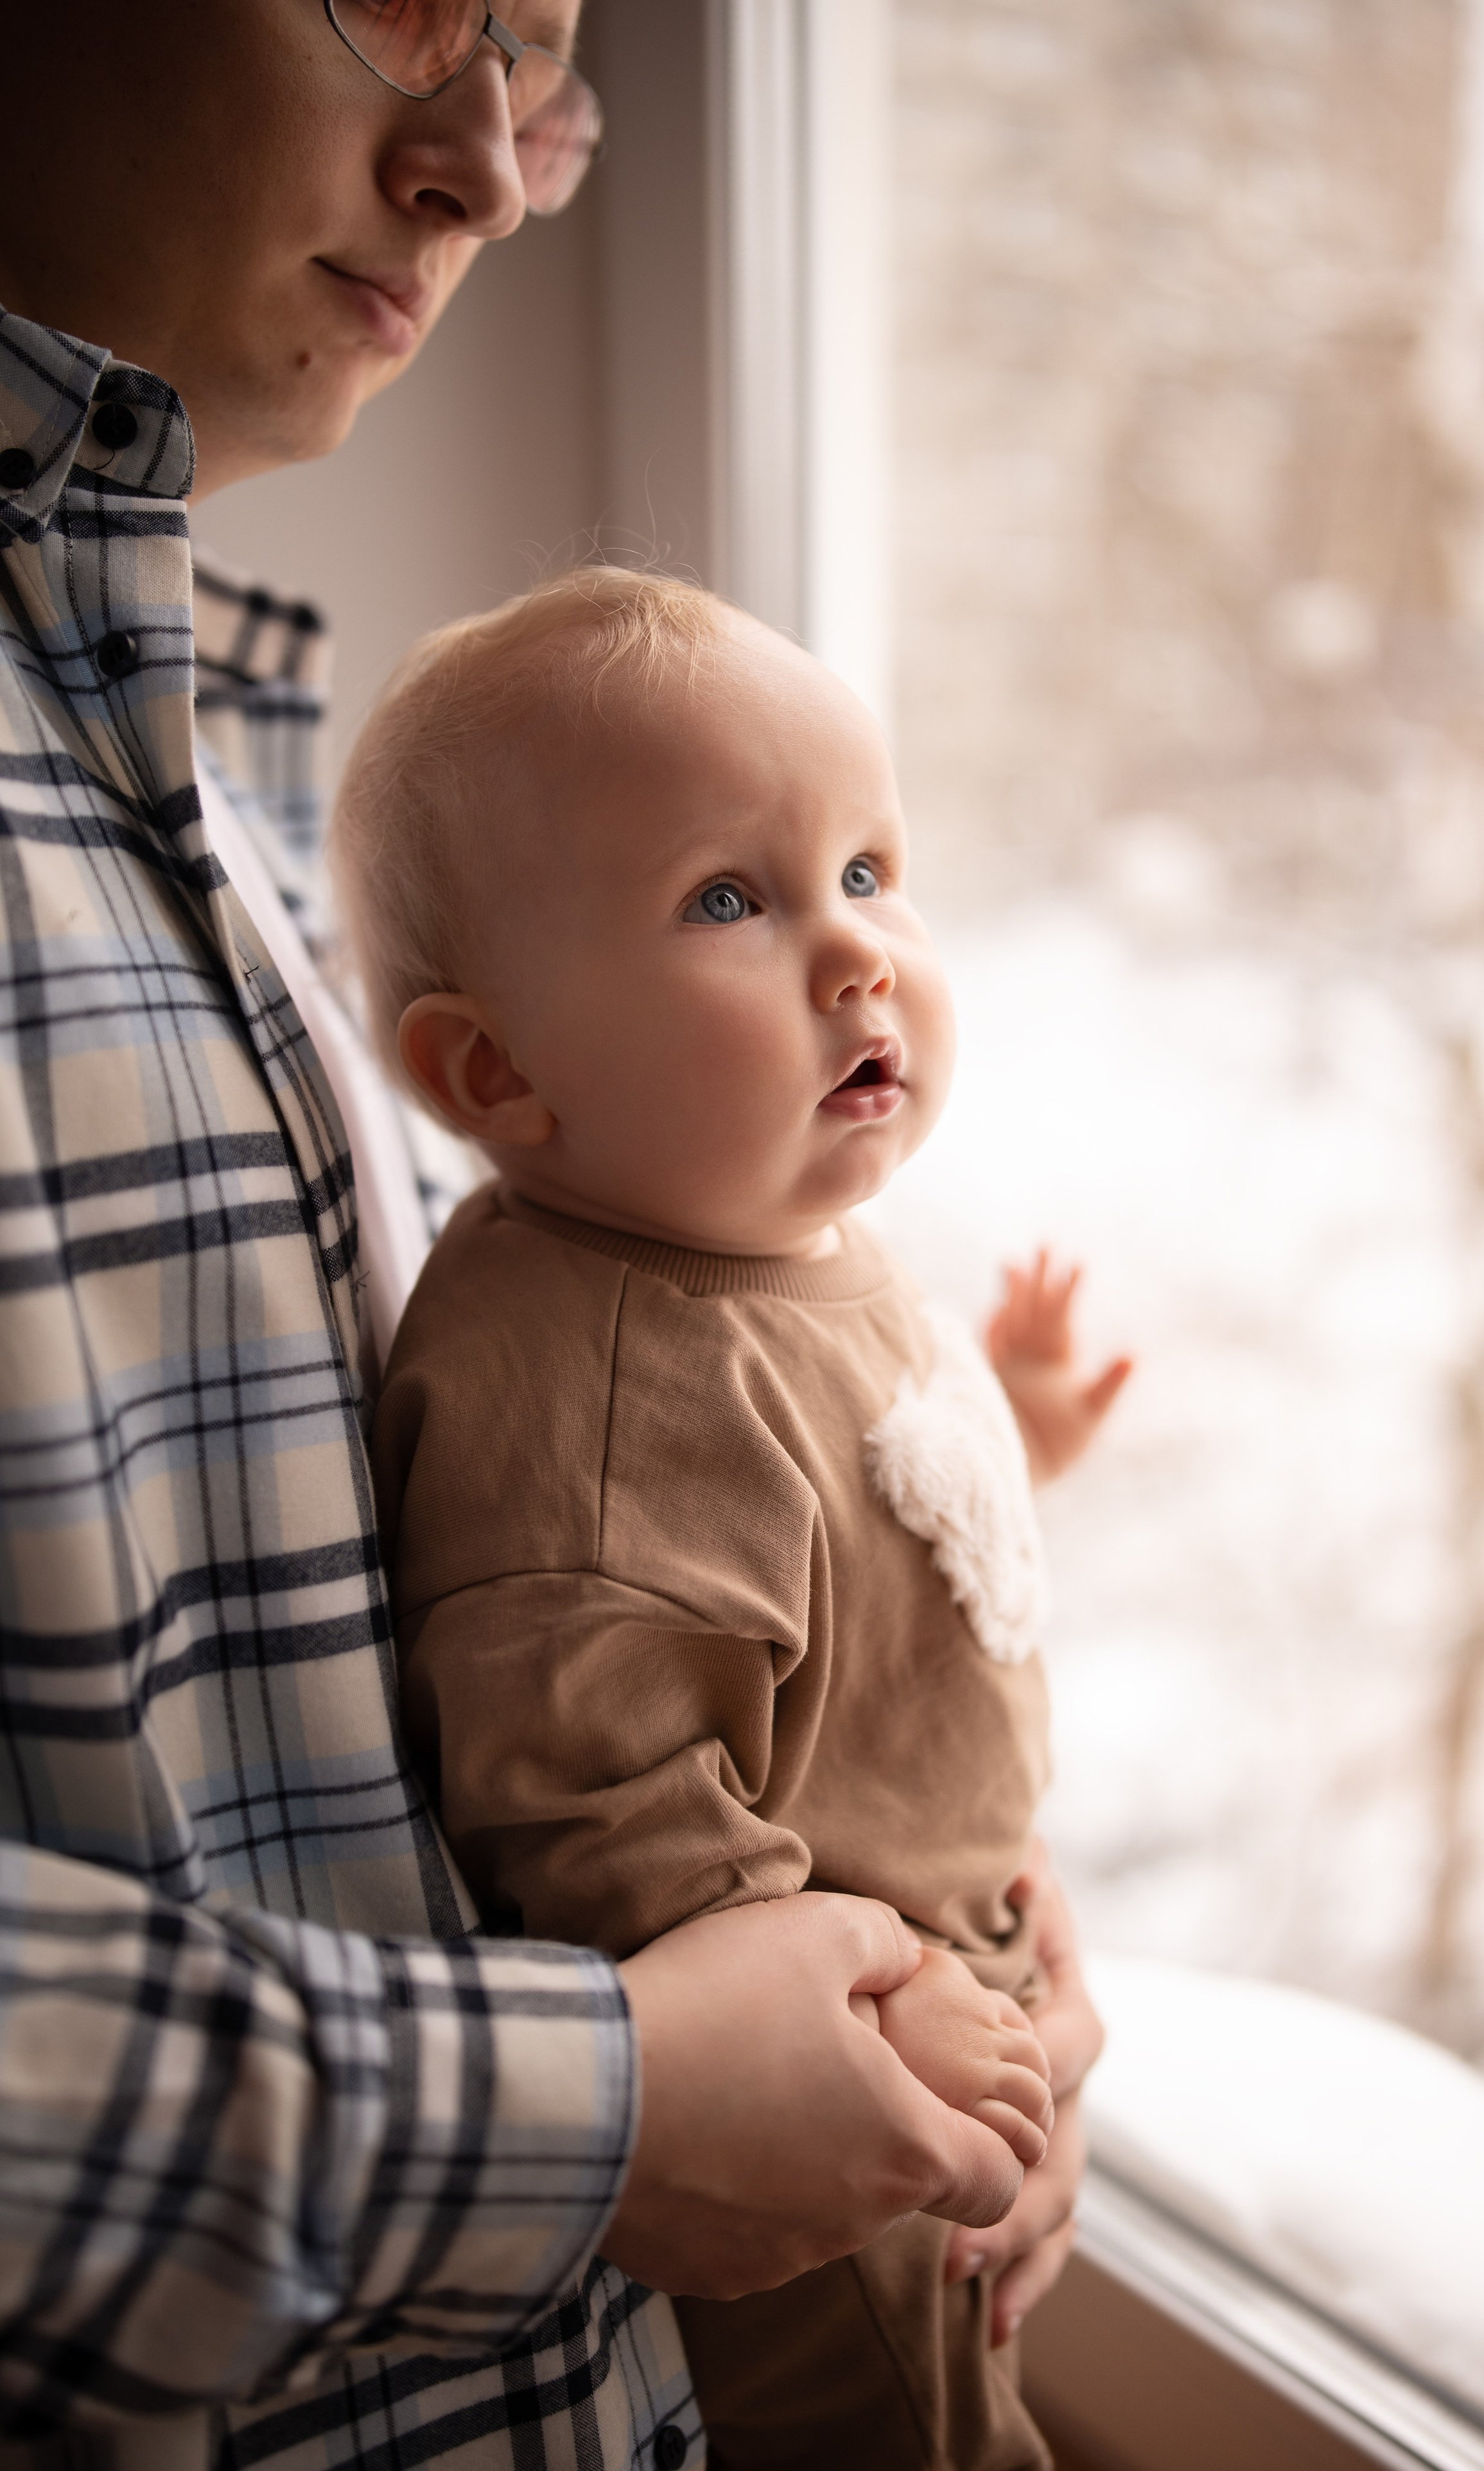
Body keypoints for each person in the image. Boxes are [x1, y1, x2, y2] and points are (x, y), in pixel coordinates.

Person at [0, 6, 1103, 2467]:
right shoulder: (580, 1286)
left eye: (872, 875)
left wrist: (995, 1919)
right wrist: (626, 2084)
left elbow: (830, 1602)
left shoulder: (191, 789)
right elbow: (574, 1724)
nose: (498, 166)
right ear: (496, 1076)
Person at [337, 568, 1126, 2470]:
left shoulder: (758, 1224)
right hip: (825, 2109)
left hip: (959, 1996)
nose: (858, 957)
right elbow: (596, 1798)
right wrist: (889, 2029)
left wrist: (1002, 1426)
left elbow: (851, 1514)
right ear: (497, 1073)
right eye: (730, 900)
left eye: (869, 870)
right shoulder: (590, 1389)